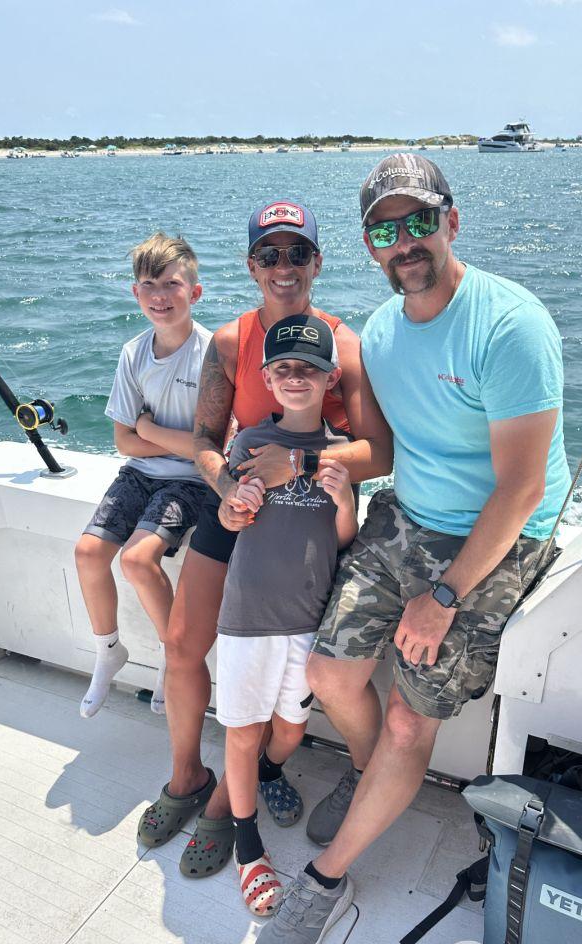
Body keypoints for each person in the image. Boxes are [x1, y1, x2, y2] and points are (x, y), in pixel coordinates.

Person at [249, 153, 571, 944]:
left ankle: (322, 883)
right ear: (368, 246)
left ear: (451, 222)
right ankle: (367, 781)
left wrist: (443, 595)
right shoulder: (381, 335)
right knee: (327, 673)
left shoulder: (511, 324)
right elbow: (376, 446)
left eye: (419, 221)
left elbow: (523, 486)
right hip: (407, 516)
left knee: (406, 719)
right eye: (386, 230)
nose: (405, 242)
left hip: (495, 537)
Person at [136, 201, 392, 877]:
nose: (284, 267)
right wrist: (228, 491)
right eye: (270, 255)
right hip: (240, 512)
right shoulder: (228, 343)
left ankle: (228, 800)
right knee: (184, 643)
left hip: (313, 521)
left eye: (297, 253)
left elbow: (380, 451)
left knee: (290, 685)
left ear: (317, 262)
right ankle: (187, 774)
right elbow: (204, 441)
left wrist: (303, 467)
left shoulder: (344, 343)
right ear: (251, 266)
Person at [218, 314, 358, 915]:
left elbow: (344, 538)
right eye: (283, 369)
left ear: (330, 379)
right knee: (243, 732)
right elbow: (230, 515)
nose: (296, 377)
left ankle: (274, 773)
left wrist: (346, 498)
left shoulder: (339, 454)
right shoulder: (250, 443)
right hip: (248, 616)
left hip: (308, 620)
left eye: (309, 368)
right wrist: (236, 505)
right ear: (267, 380)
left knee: (291, 729)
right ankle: (248, 848)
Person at [75, 233, 210, 719]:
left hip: (191, 482)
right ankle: (108, 649)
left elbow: (208, 448)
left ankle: (172, 660)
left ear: (194, 292)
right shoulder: (132, 354)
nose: (160, 295)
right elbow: (125, 442)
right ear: (135, 293)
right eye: (148, 284)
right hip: (138, 472)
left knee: (136, 561)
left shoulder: (214, 354)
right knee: (88, 552)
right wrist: (169, 436)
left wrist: (151, 426)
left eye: (172, 284)